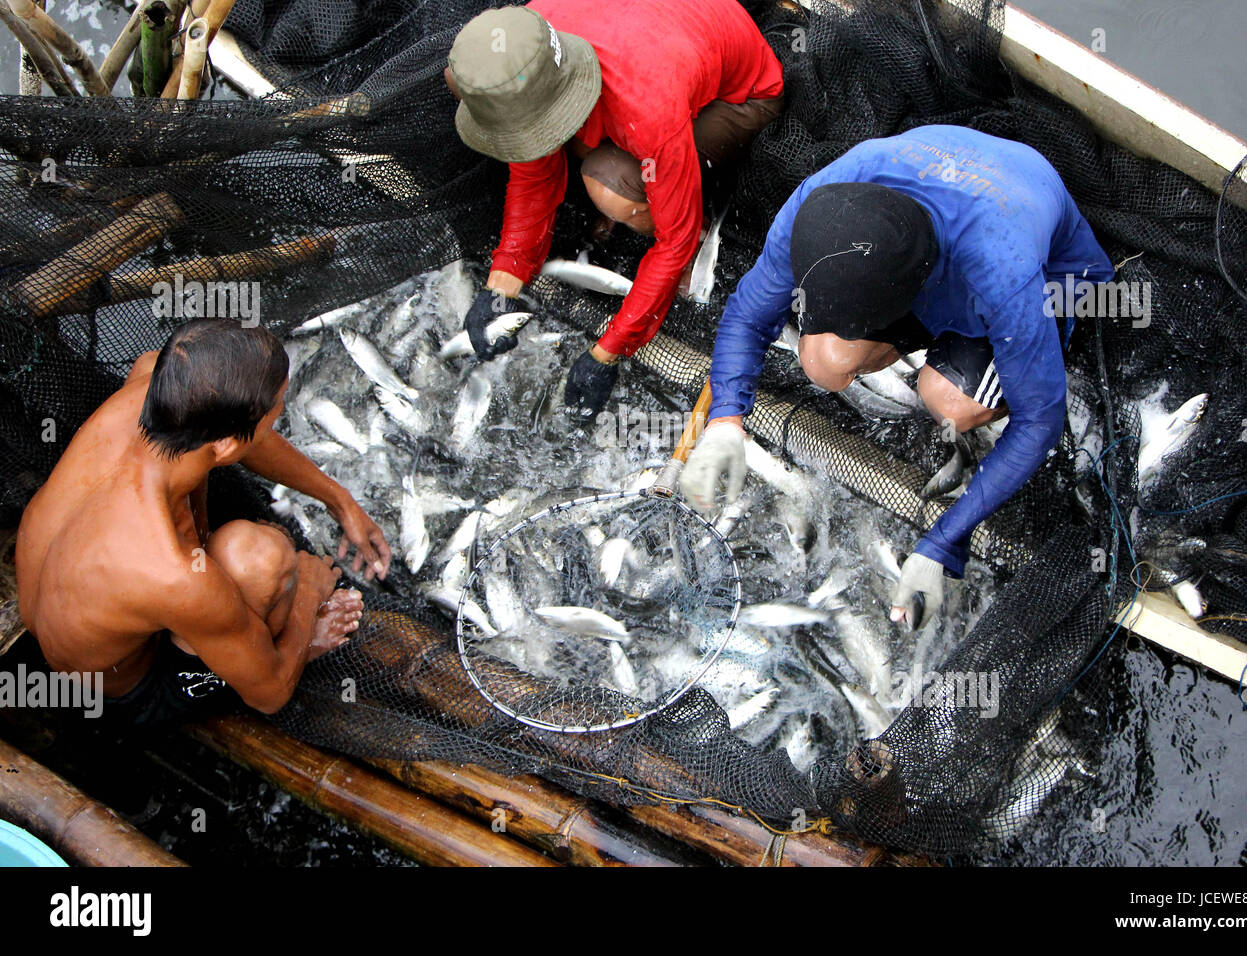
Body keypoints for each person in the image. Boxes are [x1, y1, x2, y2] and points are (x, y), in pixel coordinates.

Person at [680, 125, 1115, 628]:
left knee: (945, 398)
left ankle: (966, 371)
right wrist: (726, 421)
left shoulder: (1005, 272)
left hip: (1050, 272)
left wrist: (940, 543)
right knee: (821, 360)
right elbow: (748, 316)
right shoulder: (819, 209)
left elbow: (1041, 420)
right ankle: (924, 348)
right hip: (914, 237)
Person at [15, 319, 392, 728]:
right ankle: (285, 646)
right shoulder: (174, 574)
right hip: (129, 688)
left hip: (67, 606)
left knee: (229, 563)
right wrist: (309, 593)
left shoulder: (152, 380)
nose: (280, 413)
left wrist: (339, 499)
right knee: (262, 557)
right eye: (276, 410)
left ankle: (231, 635)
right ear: (225, 443)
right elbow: (269, 696)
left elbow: (250, 444)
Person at [446, 0, 784, 414]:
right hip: (656, 46)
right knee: (569, 147)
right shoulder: (528, 41)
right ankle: (638, 175)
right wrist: (500, 287)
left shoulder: (648, 104)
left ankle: (696, 222)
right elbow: (532, 174)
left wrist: (607, 351)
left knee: (608, 182)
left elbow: (672, 241)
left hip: (742, 100)